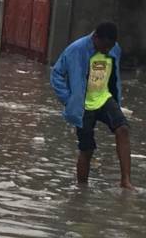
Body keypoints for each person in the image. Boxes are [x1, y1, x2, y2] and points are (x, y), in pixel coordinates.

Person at [50, 22, 133, 189]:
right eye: (104, 46)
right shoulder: (76, 49)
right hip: (83, 105)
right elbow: (57, 74)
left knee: (123, 129)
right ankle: (82, 189)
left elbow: (114, 76)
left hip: (104, 98)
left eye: (110, 47)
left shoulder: (114, 49)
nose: (107, 50)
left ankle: (126, 181)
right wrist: (69, 99)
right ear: (95, 38)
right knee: (87, 149)